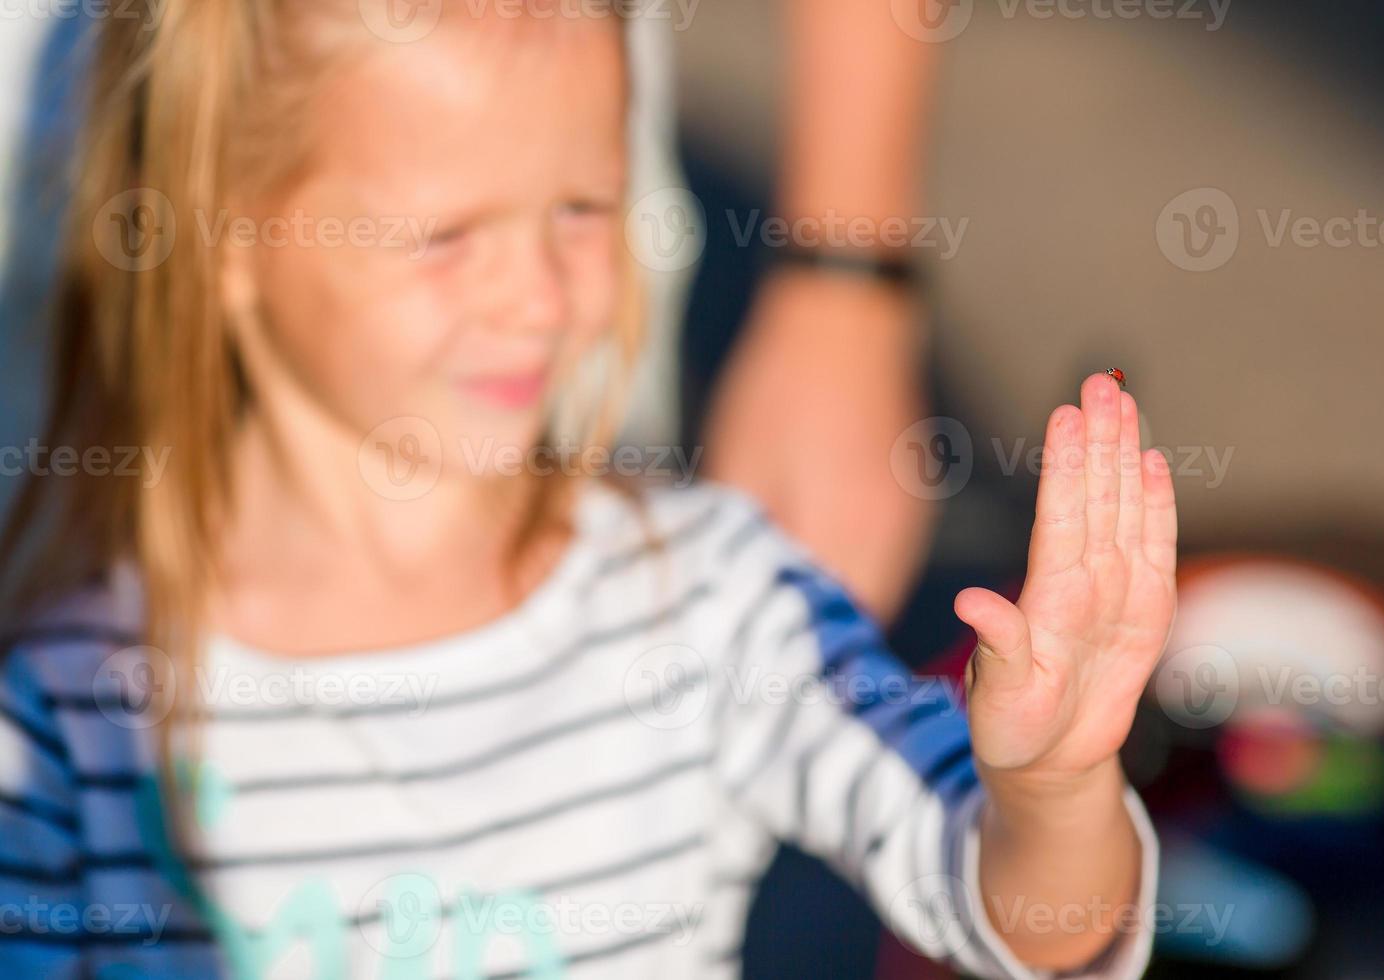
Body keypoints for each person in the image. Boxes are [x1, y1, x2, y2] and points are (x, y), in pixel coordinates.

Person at [0, 3, 1176, 978]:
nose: (537, 295)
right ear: (223, 242)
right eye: (446, 234)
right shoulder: (67, 717)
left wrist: (1055, 792)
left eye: (582, 207)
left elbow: (1025, 913)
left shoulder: (717, 594)